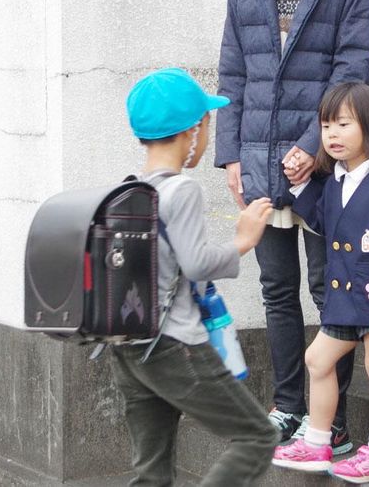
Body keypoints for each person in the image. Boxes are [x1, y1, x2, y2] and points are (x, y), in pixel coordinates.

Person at [215, 0, 369, 450]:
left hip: (329, 161)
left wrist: (315, 147)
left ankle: (329, 419)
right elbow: (233, 71)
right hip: (260, 160)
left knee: (330, 290)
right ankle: (288, 406)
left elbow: (353, 68)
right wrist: (231, 155)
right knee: (277, 291)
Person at [111, 67, 278, 486]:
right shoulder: (181, 190)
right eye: (207, 123)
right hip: (174, 346)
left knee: (151, 471)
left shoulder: (130, 189)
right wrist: (243, 240)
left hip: (129, 346)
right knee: (257, 436)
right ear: (193, 130)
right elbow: (197, 264)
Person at [272, 82, 369, 483]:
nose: (332, 135)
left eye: (343, 124)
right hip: (344, 296)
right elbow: (324, 223)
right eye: (326, 126)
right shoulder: (335, 181)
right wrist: (299, 185)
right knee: (317, 359)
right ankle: (317, 442)